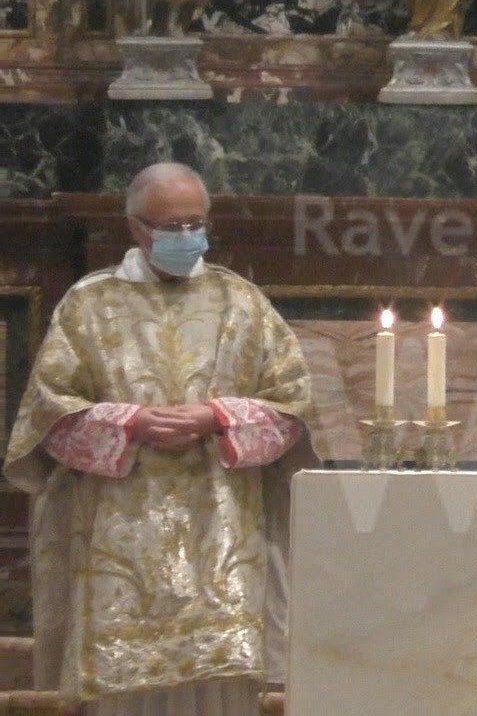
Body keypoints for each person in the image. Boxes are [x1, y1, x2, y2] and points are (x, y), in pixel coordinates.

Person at [4, 162, 315, 715]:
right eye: (171, 226)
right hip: (121, 536)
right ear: (136, 227)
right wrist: (130, 423)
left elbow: (293, 409)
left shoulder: (242, 302)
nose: (187, 236)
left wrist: (218, 417)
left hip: (220, 535)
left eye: (196, 223)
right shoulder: (89, 304)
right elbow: (47, 417)